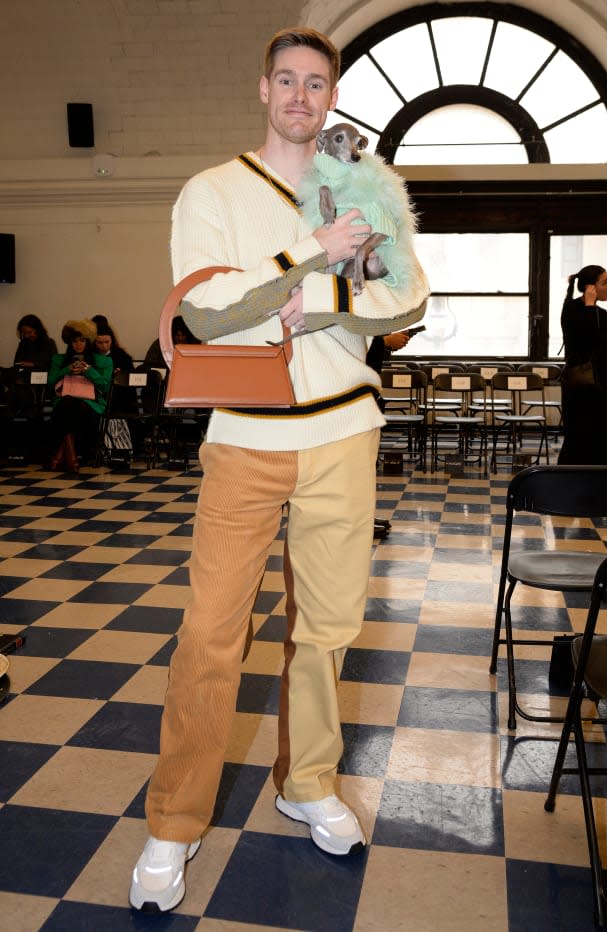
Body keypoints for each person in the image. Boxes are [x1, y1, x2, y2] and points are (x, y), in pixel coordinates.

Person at [129, 26, 428, 914]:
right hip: (246, 434)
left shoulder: (368, 186)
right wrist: (309, 254)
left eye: (317, 84)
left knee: (327, 629)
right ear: (263, 90)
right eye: (287, 81)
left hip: (344, 431)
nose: (302, 96)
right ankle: (173, 824)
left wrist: (320, 298)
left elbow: (408, 294)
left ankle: (307, 780)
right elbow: (207, 312)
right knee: (211, 634)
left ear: (332, 98)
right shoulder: (211, 190)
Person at [558, 265, 607, 465]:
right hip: (580, 384)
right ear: (590, 287)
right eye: (604, 282)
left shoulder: (603, 314)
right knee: (580, 433)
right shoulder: (572, 308)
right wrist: (590, 305)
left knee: (602, 432)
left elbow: (599, 352)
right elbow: (583, 344)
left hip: (600, 381)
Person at [47, 319, 113, 472]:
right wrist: (66, 370)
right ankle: (72, 456)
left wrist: (88, 371)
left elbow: (105, 386)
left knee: (77, 407)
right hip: (64, 400)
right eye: (74, 341)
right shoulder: (59, 359)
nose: (78, 345)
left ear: (88, 342)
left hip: (91, 402)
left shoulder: (103, 361)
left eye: (82, 340)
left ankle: (62, 454)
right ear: (69, 343)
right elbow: (50, 383)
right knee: (68, 403)